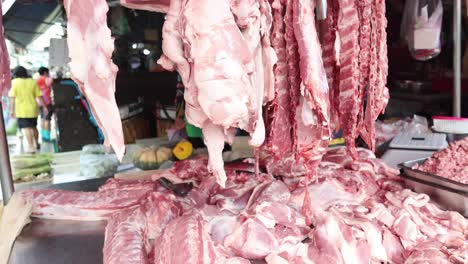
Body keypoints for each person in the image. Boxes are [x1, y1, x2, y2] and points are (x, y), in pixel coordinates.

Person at [8, 66, 47, 153]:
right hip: (33, 108)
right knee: (34, 127)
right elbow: (39, 96)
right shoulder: (32, 81)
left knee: (27, 128)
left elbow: (12, 98)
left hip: (22, 110)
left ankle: (31, 146)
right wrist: (44, 106)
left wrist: (11, 110)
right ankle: (36, 143)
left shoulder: (14, 82)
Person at [36, 66, 53, 141]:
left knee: (42, 119)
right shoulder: (46, 79)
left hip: (39, 102)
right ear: (45, 72)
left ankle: (43, 136)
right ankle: (47, 137)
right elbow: (51, 82)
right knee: (47, 119)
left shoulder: (36, 80)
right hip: (47, 102)